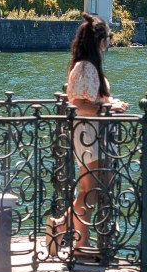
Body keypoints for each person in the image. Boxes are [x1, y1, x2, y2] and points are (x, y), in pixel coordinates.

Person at [48, 13, 127, 258]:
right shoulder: (85, 67)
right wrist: (109, 107)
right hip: (87, 134)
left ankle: (80, 242)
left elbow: (91, 98)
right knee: (88, 190)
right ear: (98, 40)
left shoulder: (86, 66)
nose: (109, 43)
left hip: (92, 133)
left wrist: (109, 102)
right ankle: (60, 226)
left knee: (92, 189)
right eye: (107, 38)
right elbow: (80, 103)